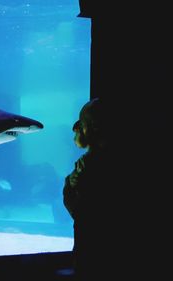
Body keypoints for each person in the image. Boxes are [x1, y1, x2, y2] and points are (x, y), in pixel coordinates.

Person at [63, 98, 111, 279]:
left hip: (90, 253)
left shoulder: (89, 165)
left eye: (81, 123)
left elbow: (80, 211)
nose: (75, 128)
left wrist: (70, 185)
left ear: (93, 128)